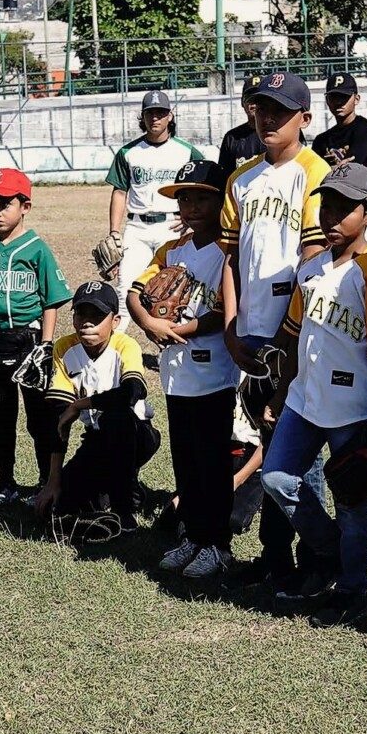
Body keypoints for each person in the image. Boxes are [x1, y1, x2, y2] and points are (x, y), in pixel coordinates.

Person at [261, 163, 367, 626]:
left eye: (345, 207)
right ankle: (331, 548)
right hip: (304, 399)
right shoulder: (312, 267)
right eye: (327, 204)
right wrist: (279, 397)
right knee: (276, 477)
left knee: (353, 499)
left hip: (353, 406)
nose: (332, 215)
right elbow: (296, 339)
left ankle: (354, 588)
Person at [220, 70, 330, 585]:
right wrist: (230, 325)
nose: (268, 117)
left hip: (300, 335)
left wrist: (289, 340)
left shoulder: (315, 173)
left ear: (305, 119)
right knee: (270, 442)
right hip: (254, 331)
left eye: (281, 111)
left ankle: (314, 560)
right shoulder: (240, 178)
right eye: (262, 106)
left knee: (298, 450)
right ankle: (274, 558)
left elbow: (313, 261)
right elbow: (231, 261)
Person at [129, 157, 241, 580]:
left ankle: (217, 544)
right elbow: (136, 293)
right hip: (176, 374)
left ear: (221, 202)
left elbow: (223, 310)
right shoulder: (170, 250)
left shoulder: (228, 252)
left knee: (212, 462)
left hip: (213, 372)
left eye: (200, 197)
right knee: (186, 462)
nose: (190, 205)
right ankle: (193, 536)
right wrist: (148, 322)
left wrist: (183, 327)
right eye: (183, 198)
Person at [0, 166, 70, 507]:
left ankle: (44, 481)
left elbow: (51, 299)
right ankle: (5, 479)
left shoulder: (36, 248)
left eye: (4, 203)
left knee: (39, 418)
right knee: (2, 413)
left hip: (29, 340)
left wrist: (46, 345)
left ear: (24, 205)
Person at [29, 281, 158, 535]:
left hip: (137, 434)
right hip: (96, 439)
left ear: (116, 321)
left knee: (116, 419)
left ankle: (125, 507)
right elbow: (59, 417)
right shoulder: (64, 347)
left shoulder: (125, 345)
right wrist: (53, 481)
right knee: (64, 504)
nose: (87, 322)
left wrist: (82, 404)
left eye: (97, 316)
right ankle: (109, 490)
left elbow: (132, 392)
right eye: (81, 313)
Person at [104, 90, 203, 309]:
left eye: (161, 112)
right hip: (137, 227)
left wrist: (190, 219)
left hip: (173, 226)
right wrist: (114, 231)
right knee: (126, 288)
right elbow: (120, 191)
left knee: (176, 288)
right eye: (150, 113)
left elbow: (202, 190)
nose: (155, 118)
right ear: (143, 117)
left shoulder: (187, 152)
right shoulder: (128, 152)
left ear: (170, 116)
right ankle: (122, 341)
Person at [312, 72, 367, 170]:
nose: (338, 102)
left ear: (356, 99)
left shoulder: (366, 130)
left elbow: (352, 168)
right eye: (333, 97)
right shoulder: (321, 140)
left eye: (344, 97)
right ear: (327, 100)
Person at [215, 83, 264, 181]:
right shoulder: (232, 137)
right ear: (242, 103)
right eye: (249, 98)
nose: (253, 104)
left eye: (258, 98)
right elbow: (224, 177)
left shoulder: (280, 133)